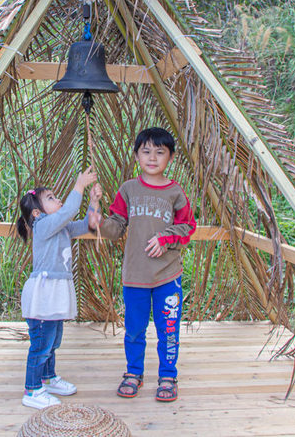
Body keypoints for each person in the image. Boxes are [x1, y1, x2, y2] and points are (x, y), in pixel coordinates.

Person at [89, 127, 196, 402]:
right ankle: (134, 372)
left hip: (167, 276)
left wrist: (165, 238)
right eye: (146, 151)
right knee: (134, 329)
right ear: (136, 155)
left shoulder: (175, 192)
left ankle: (168, 375)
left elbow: (187, 227)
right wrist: (98, 219)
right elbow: (116, 227)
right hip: (135, 276)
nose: (152, 157)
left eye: (160, 152)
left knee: (168, 331)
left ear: (170, 158)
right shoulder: (128, 190)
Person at [15, 166, 100, 409]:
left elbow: (88, 225)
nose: (59, 198)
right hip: (43, 296)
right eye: (51, 198)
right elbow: (70, 210)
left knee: (52, 342)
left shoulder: (60, 228)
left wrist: (93, 201)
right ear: (36, 212)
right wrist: (80, 184)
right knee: (41, 344)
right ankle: (32, 390)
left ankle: (48, 378)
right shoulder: (43, 226)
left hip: (54, 295)